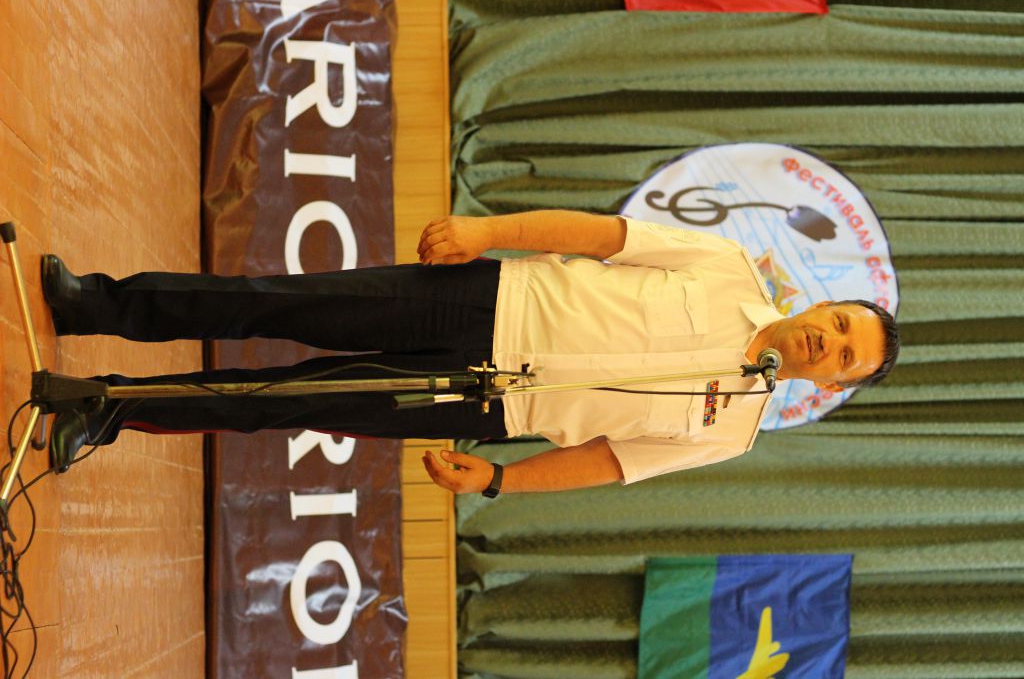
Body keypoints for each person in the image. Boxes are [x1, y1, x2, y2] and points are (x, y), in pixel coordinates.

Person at [42, 210, 899, 496]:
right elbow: (601, 237)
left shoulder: (731, 431)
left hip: (485, 402)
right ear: (820, 304)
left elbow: (608, 462)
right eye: (840, 324)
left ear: (830, 385)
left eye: (843, 358)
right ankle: (95, 304)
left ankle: (105, 408)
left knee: (286, 399)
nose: (829, 342)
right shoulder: (727, 265)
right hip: (485, 299)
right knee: (274, 301)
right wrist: (488, 231)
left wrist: (498, 481)